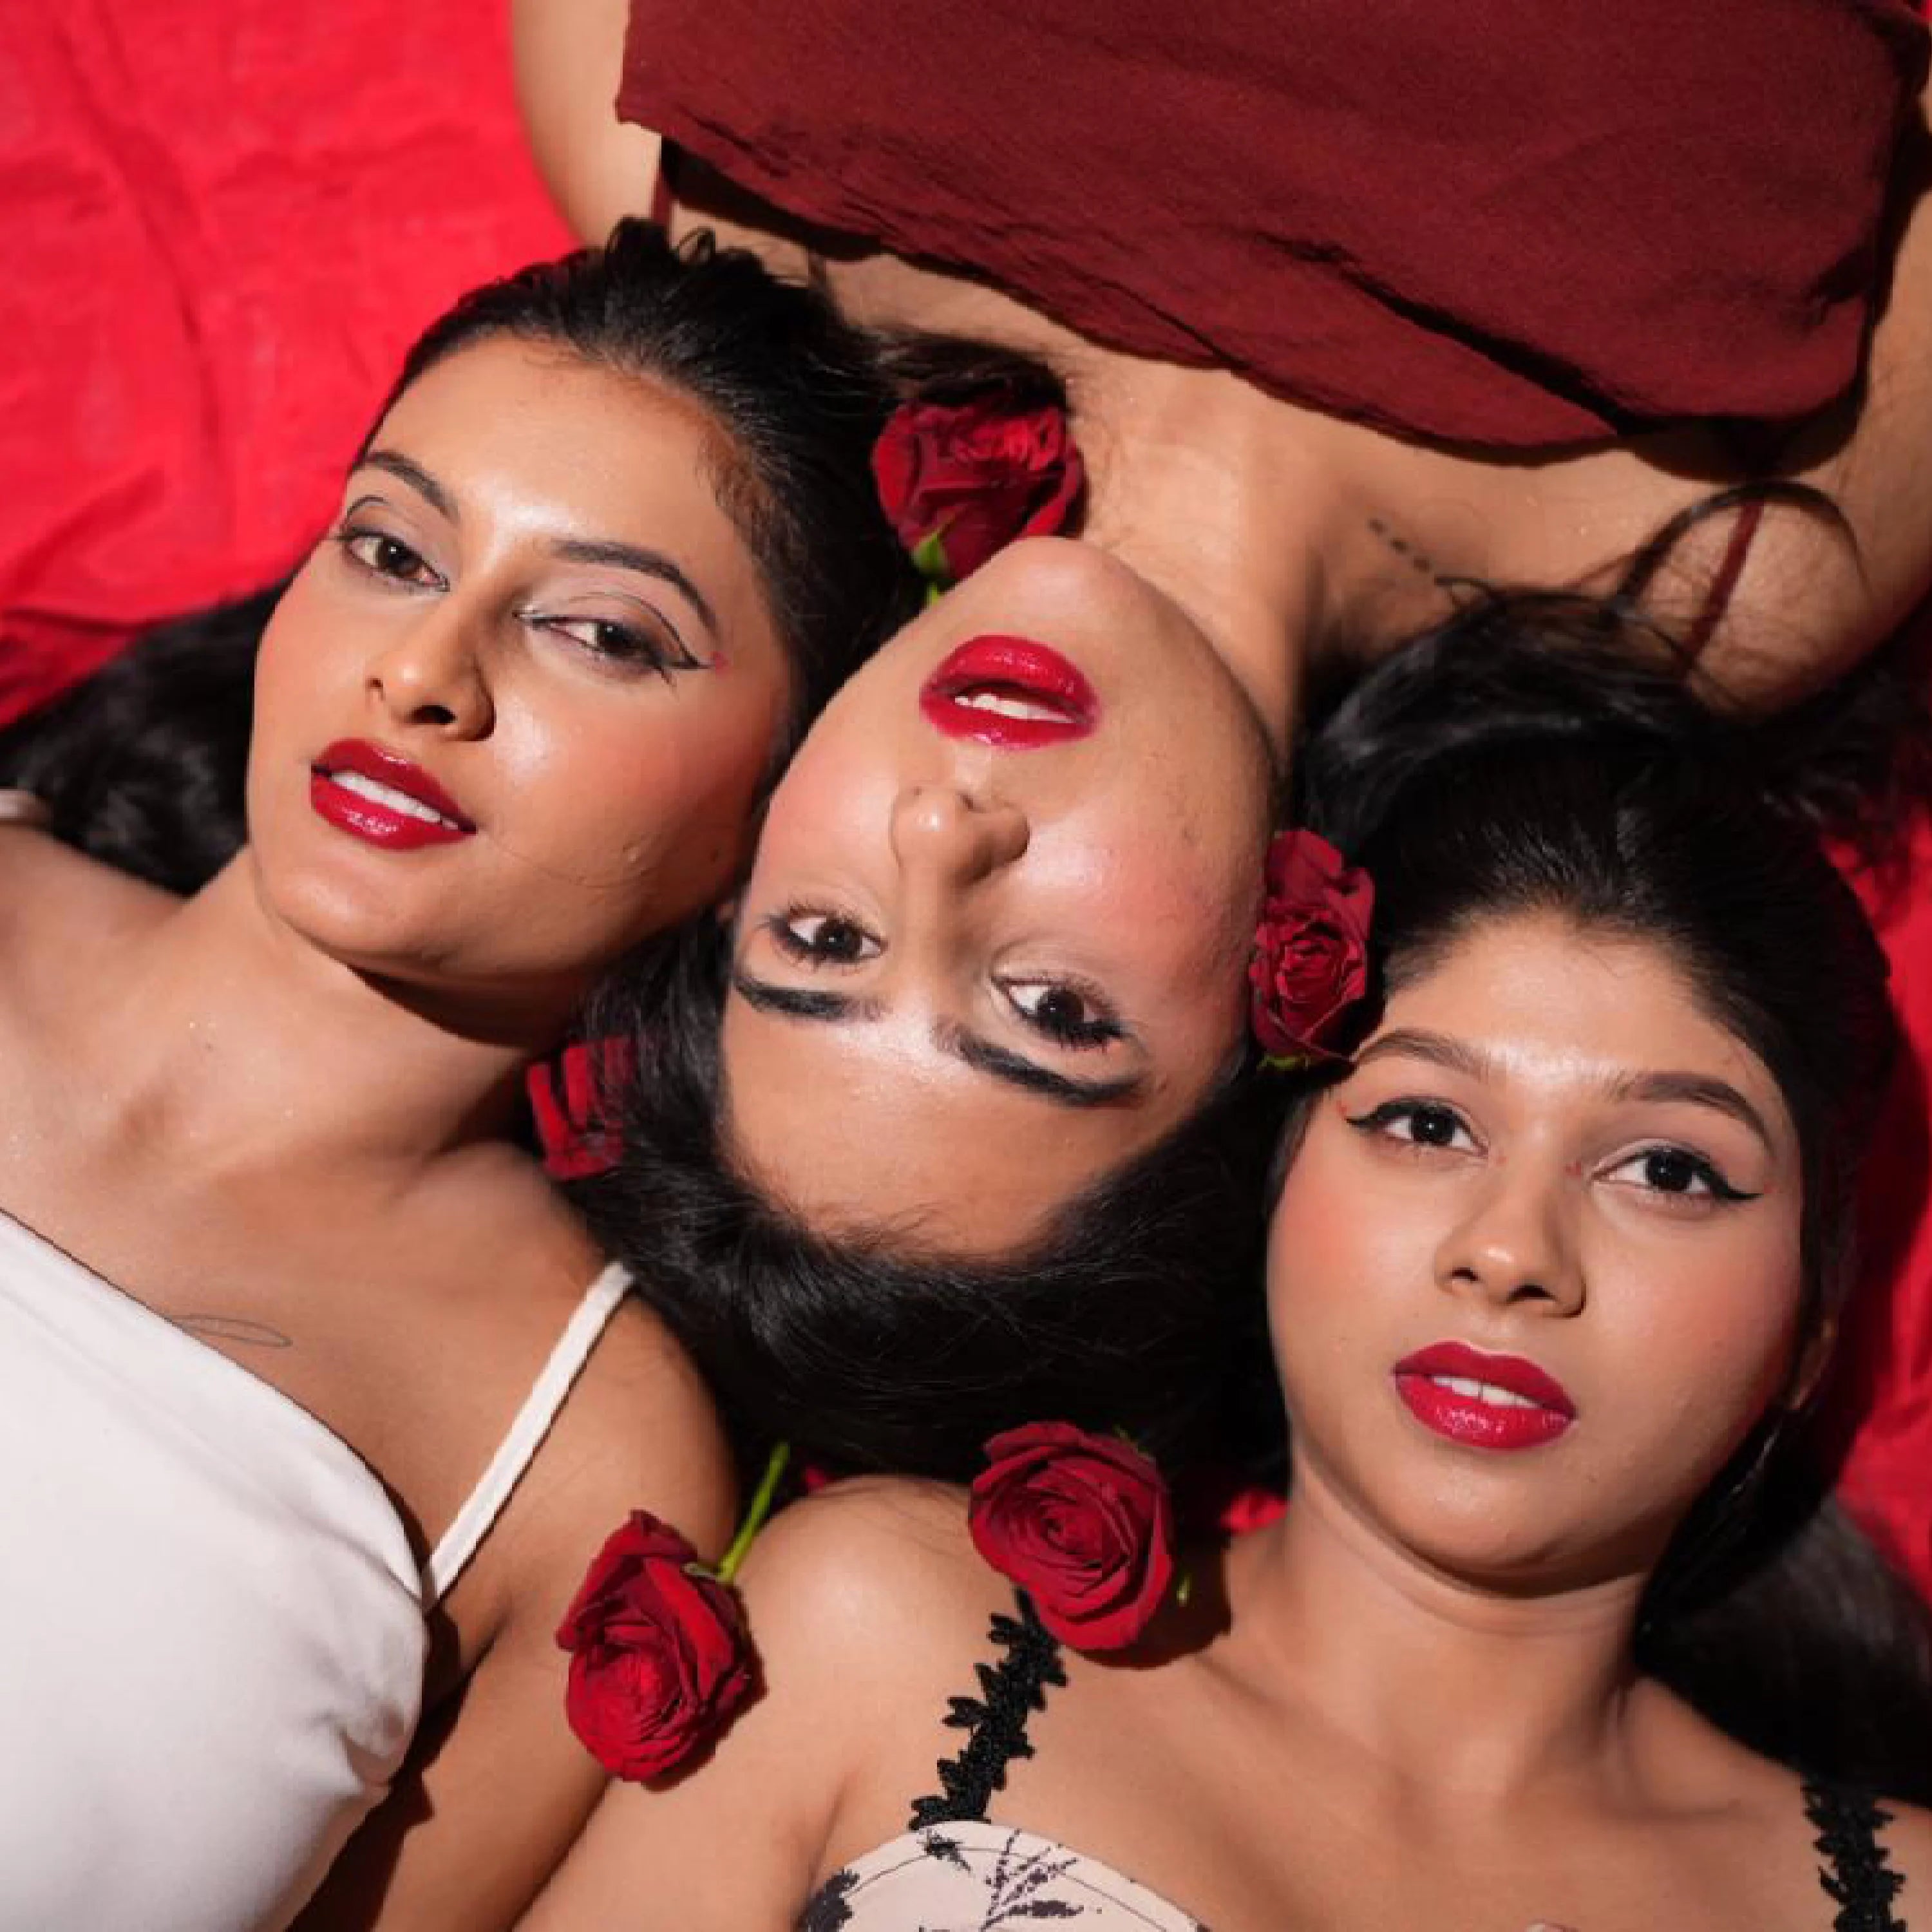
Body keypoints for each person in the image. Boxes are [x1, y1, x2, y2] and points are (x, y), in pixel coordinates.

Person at [524, 603, 1932, 1929]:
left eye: (1668, 1171)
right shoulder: (877, 1633)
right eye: (1426, 1123)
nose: (1512, 1253)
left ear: (1813, 1321)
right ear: (1278, 1173)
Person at [0, 216, 914, 1932]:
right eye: (391, 549)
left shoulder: (589, 1468)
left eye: (605, 635)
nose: (422, 675)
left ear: (789, 798)